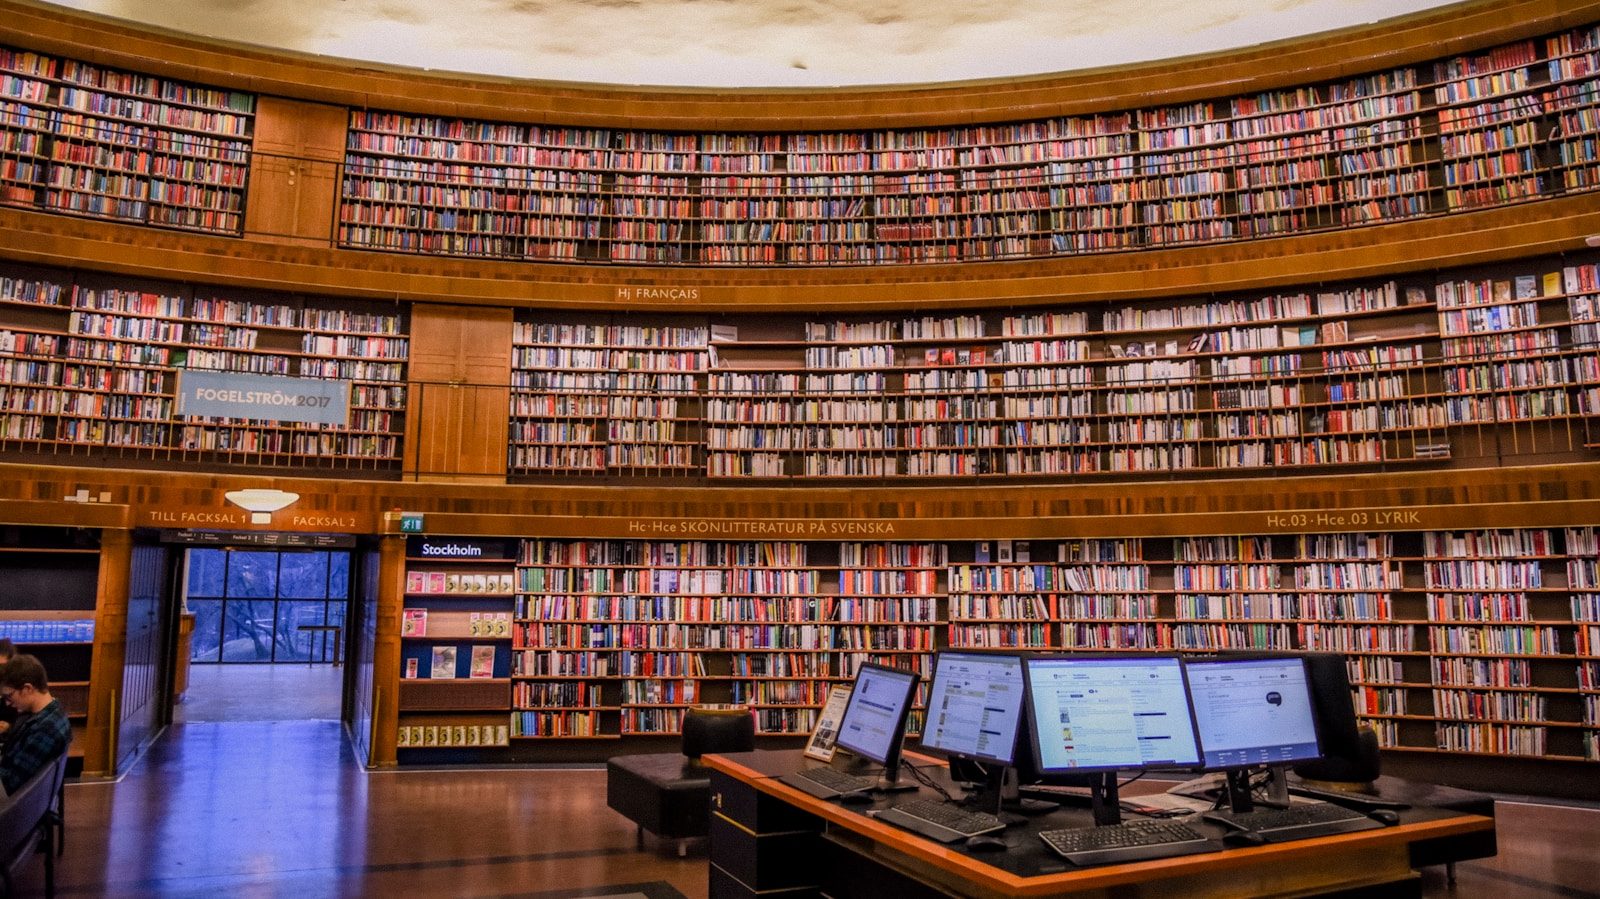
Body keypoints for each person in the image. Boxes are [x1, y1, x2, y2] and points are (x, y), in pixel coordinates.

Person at [0, 654, 70, 794]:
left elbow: (10, 783)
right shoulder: (52, 712)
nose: (7, 703)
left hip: (11, 802)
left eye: (9, 696)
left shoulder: (45, 730)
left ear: (27, 689)